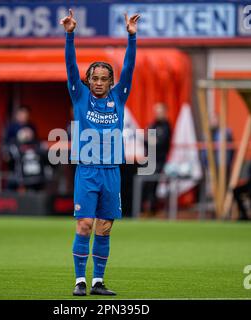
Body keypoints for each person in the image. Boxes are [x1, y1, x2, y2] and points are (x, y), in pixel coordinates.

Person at [60, 9, 140, 296]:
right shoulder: (79, 96)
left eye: (104, 78)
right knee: (84, 224)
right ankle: (80, 281)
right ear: (88, 79)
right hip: (87, 170)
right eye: (94, 77)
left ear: (110, 81)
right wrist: (70, 34)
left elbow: (130, 67)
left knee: (104, 228)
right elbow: (70, 66)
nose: (98, 82)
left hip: (111, 173)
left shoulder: (119, 97)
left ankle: (98, 282)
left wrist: (132, 38)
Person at [142, 102, 171, 216]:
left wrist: (151, 141)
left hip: (159, 160)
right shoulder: (153, 125)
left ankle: (153, 210)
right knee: (145, 185)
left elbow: (161, 143)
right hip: (149, 158)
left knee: (154, 184)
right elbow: (146, 141)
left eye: (160, 111)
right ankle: (144, 208)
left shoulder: (166, 126)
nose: (158, 114)